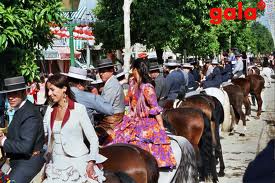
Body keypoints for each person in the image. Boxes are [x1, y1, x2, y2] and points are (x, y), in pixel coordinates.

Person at [110, 59, 176, 168]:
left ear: (136, 69)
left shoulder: (146, 87)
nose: (131, 71)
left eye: (132, 69)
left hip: (142, 120)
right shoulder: (133, 83)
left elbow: (155, 109)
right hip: (135, 119)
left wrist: (161, 127)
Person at [43, 74, 106, 183]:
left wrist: (91, 162)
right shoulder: (50, 110)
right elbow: (45, 134)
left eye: (52, 90)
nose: (49, 94)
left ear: (64, 89)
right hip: (56, 164)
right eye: (48, 90)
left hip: (78, 163)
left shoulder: (79, 109)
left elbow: (93, 139)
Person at [0, 76, 45, 183]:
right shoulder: (21, 109)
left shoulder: (30, 113)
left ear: (23, 93)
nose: (10, 97)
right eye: (8, 94)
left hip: (27, 162)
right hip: (16, 160)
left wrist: (3, 141)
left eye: (14, 93)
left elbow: (25, 147)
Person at [96, 59, 125, 144]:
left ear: (111, 71)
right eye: (99, 71)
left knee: (93, 136)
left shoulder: (112, 84)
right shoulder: (109, 82)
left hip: (113, 118)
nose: (100, 74)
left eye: (103, 71)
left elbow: (105, 105)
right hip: (111, 116)